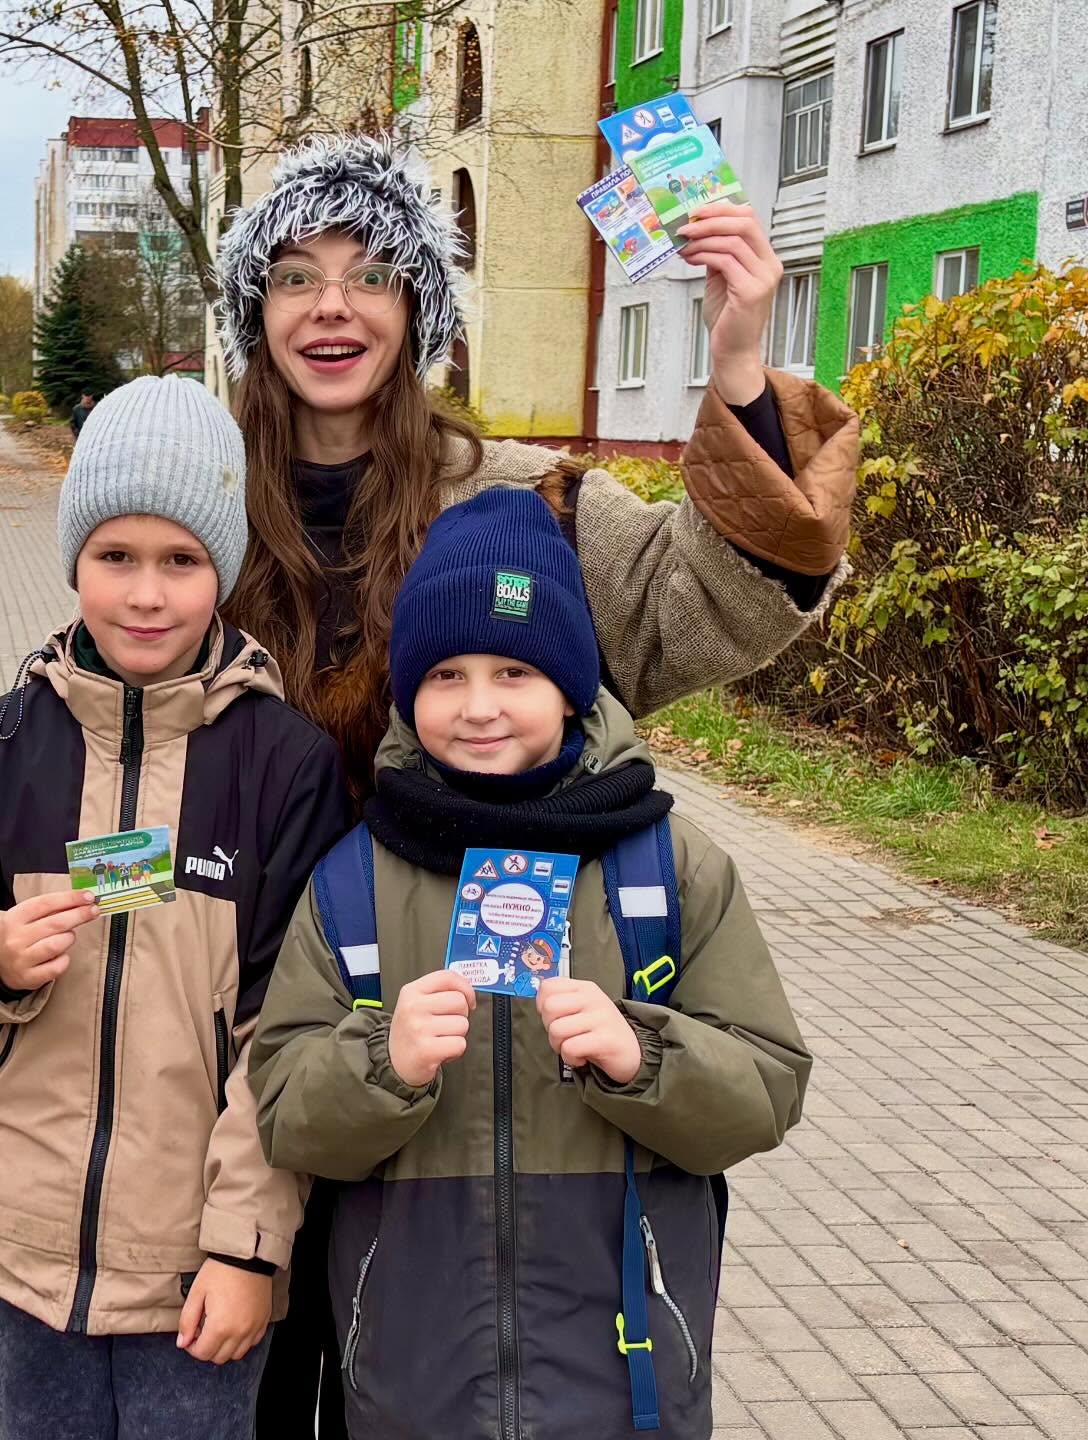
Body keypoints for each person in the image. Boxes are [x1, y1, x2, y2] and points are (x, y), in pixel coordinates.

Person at [211, 132, 855, 1436]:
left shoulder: (526, 507)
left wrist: (736, 363)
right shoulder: (200, 511)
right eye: (294, 276)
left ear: (418, 306)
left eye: (371, 273)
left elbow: (711, 604)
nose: (332, 306)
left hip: (476, 1067)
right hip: (241, 1055)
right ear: (253, 311)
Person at [249, 487, 812, 1440]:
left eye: (514, 671)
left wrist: (642, 1054)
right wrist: (382, 1063)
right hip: (412, 1391)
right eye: (446, 675)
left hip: (625, 1385)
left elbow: (767, 1088)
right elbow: (283, 1111)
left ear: (572, 687)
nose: (479, 707)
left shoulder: (668, 869)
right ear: (409, 691)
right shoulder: (354, 879)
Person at [0, 375, 351, 1440]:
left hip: (195, 1267)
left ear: (223, 570)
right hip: (19, 1249)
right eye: (116, 557)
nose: (146, 594)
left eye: (181, 560)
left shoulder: (285, 764)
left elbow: (292, 1034)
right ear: (74, 562)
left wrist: (246, 1251)